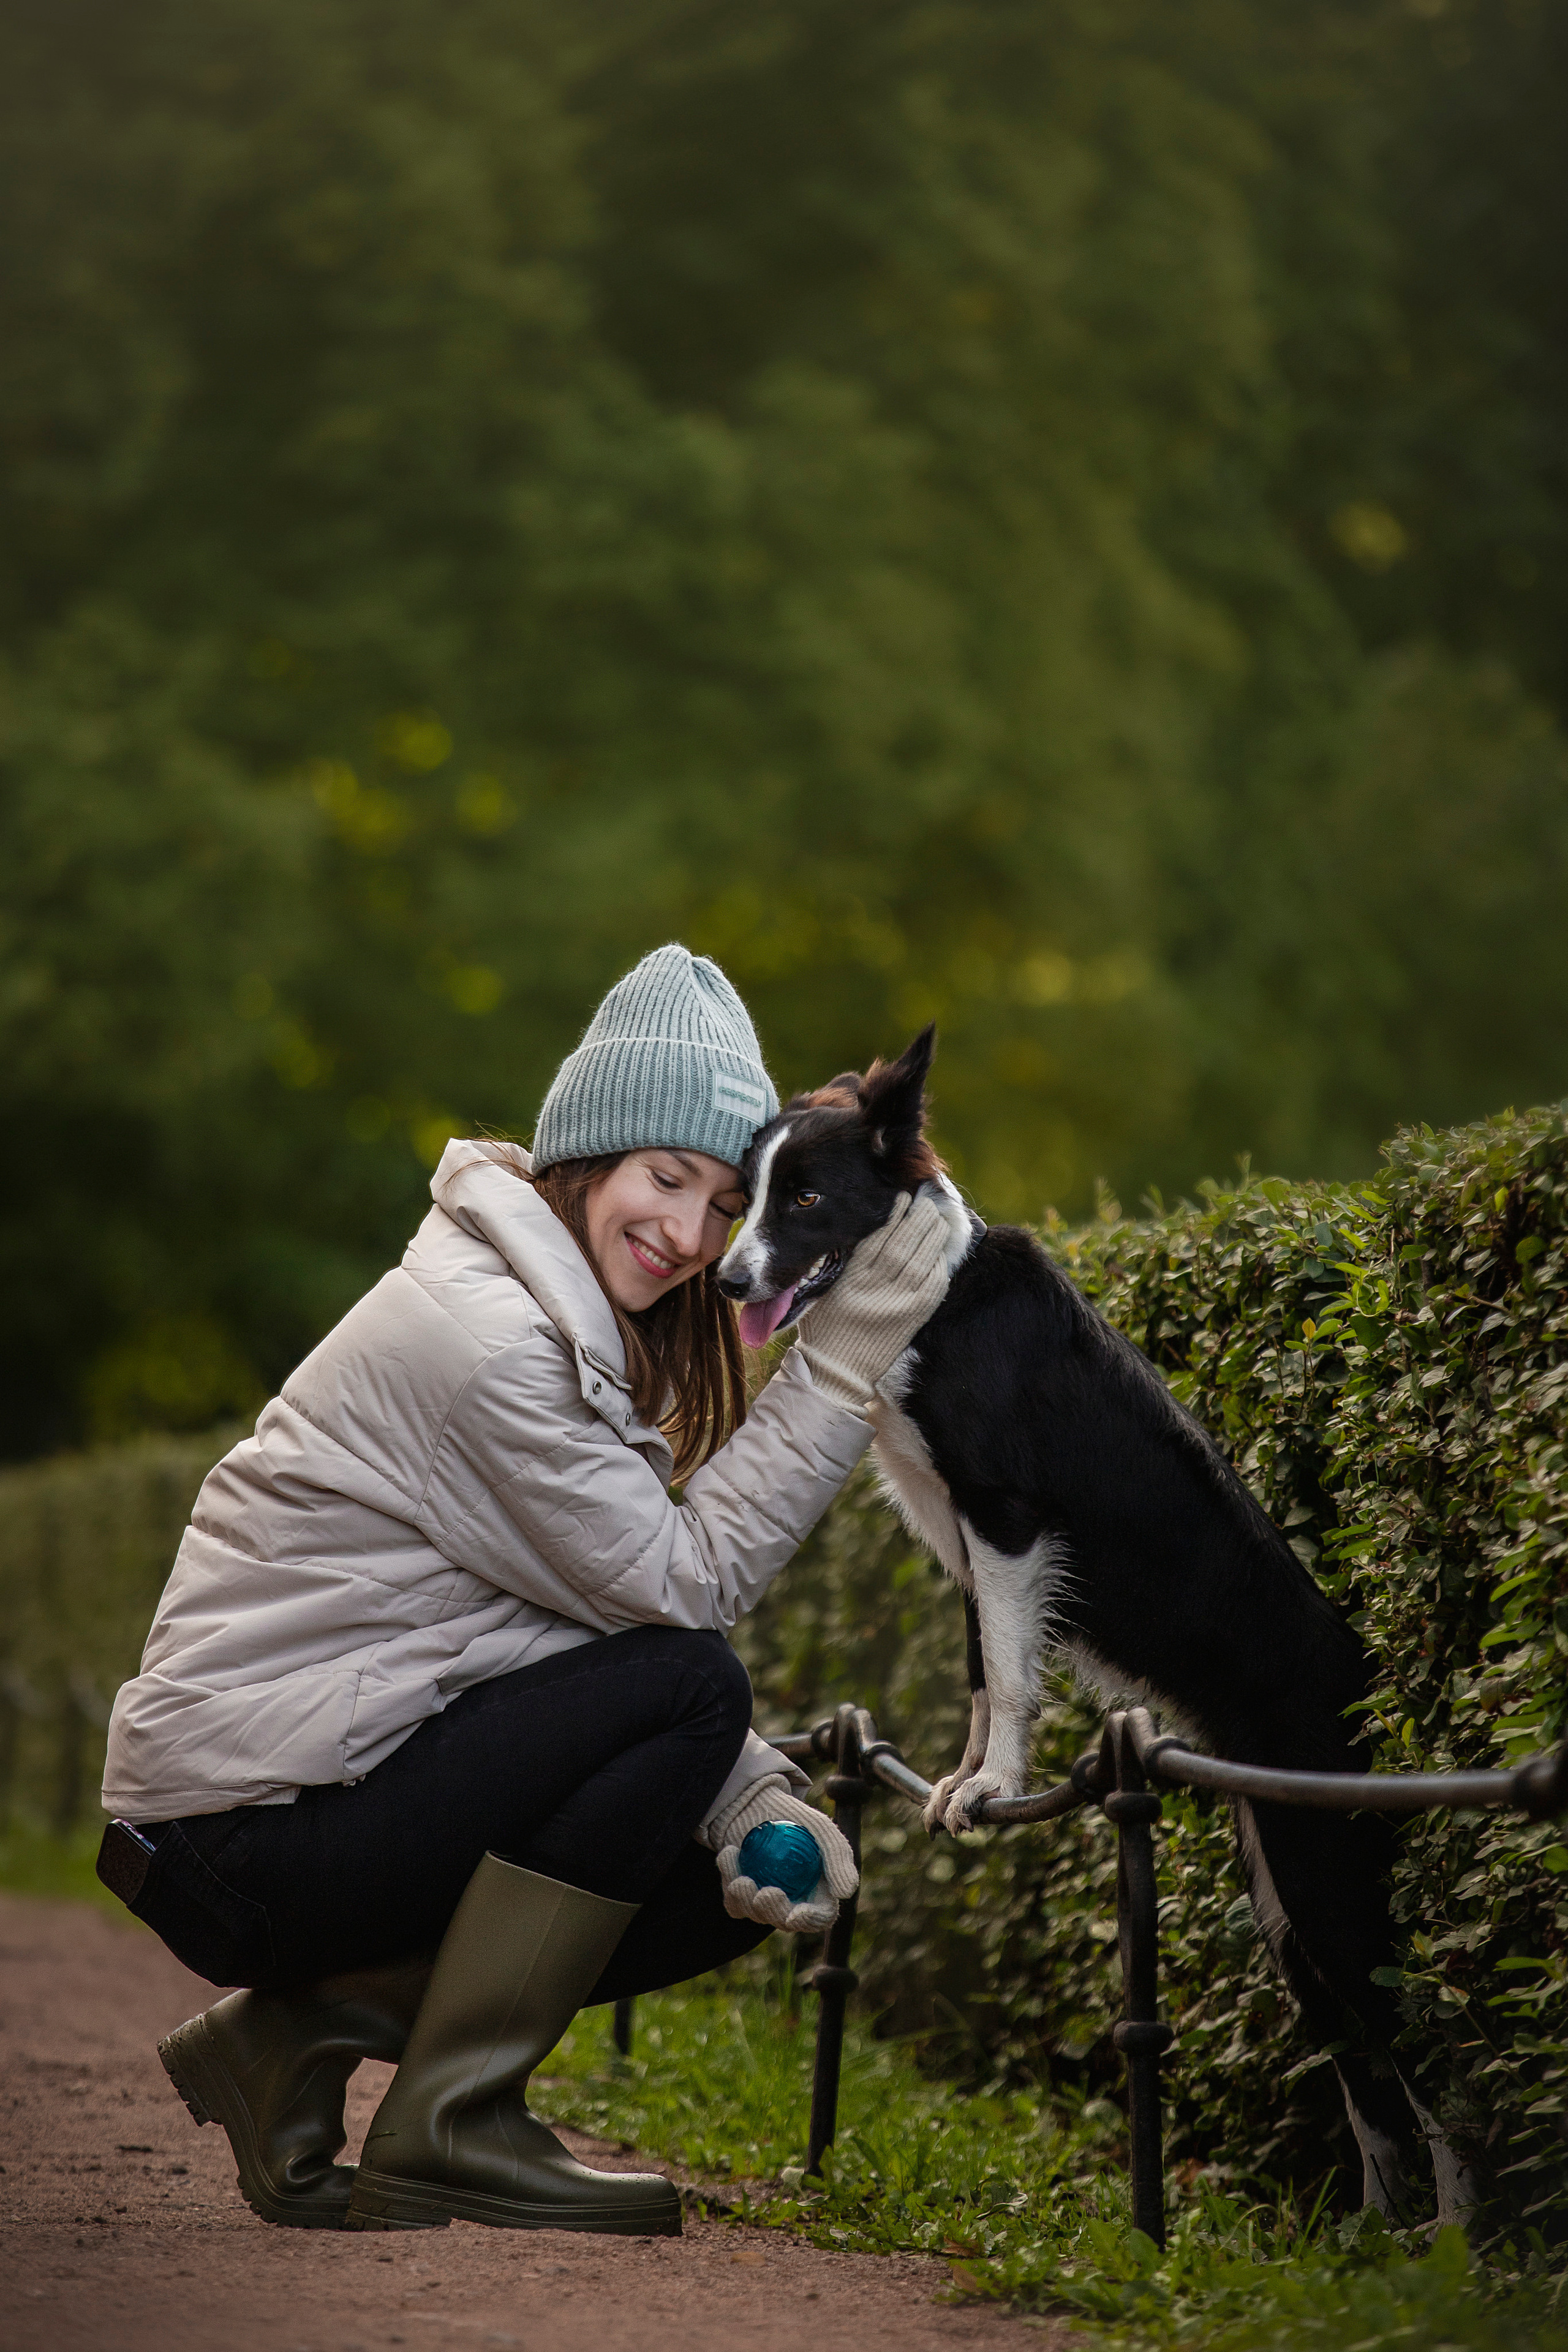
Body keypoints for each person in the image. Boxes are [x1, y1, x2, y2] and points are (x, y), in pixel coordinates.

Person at [96, 945, 952, 2239]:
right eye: (666, 1179)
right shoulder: (485, 1345)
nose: (689, 1234)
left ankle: (294, 2050)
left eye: (728, 1205)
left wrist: (742, 1796)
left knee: (716, 1878)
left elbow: (556, 1627)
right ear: (587, 1160)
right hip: (241, 1837)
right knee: (689, 1688)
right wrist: (842, 1363)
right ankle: (453, 2124)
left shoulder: (545, 1327)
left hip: (291, 1805)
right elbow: (681, 1591)